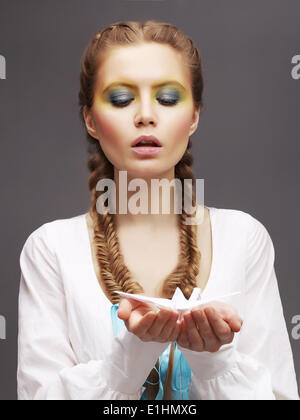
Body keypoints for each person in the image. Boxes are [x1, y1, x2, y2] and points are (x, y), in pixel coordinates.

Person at [17, 20, 299, 400]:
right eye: (120, 99)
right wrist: (132, 353)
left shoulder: (244, 239)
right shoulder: (50, 249)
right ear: (90, 119)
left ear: (194, 116)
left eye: (167, 98)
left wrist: (215, 361)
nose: (146, 115)